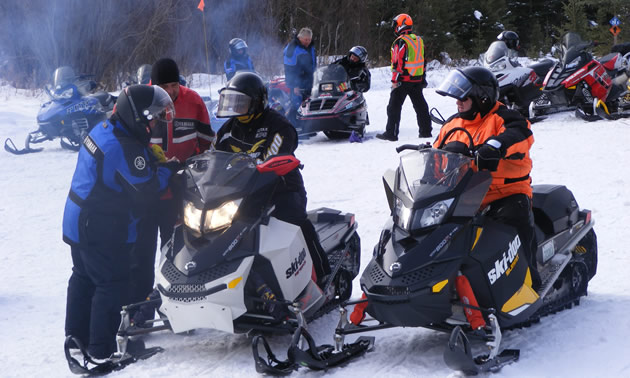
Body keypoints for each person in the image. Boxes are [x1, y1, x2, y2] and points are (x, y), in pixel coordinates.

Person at [63, 85, 180, 359]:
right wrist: (168, 170)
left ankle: (75, 338)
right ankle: (101, 351)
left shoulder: (106, 129)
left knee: (82, 278)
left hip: (78, 219)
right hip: (99, 227)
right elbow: (146, 190)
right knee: (111, 283)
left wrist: (150, 159)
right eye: (150, 118)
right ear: (136, 116)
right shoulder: (121, 146)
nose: (153, 124)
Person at [213, 72, 331, 303]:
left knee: (295, 222)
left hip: (282, 188)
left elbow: (275, 155)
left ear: (257, 103)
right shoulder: (227, 130)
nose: (236, 109)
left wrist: (267, 166)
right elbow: (212, 159)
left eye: (242, 103)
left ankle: (323, 275)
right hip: (242, 195)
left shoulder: (277, 125)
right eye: (232, 103)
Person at [433, 66, 541, 296]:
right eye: (456, 99)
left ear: (481, 98)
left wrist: (497, 146)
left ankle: (529, 283)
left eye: (463, 98)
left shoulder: (505, 117)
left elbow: (520, 134)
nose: (458, 103)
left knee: (514, 223)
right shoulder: (452, 124)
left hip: (505, 192)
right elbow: (435, 154)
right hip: (464, 195)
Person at [130, 58, 214, 309]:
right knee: (141, 255)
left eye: (174, 84)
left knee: (181, 252)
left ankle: (181, 308)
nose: (170, 91)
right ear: (152, 84)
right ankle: (140, 310)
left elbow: (208, 145)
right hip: (145, 193)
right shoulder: (138, 101)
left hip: (180, 192)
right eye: (163, 86)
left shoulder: (193, 101)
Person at [376, 13, 432, 141]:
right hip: (416, 79)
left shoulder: (401, 41)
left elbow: (397, 63)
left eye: (396, 25)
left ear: (401, 25)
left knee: (393, 107)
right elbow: (423, 61)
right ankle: (426, 131)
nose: (394, 28)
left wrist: (395, 80)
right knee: (421, 106)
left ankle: (391, 133)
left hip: (403, 80)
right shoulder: (418, 40)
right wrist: (422, 77)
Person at [283, 27, 317, 125]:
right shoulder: (292, 49)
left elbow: (314, 65)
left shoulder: (311, 48)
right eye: (306, 39)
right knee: (297, 104)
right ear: (300, 38)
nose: (308, 41)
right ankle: (295, 127)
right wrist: (294, 85)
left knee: (309, 103)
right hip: (297, 82)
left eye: (309, 39)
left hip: (309, 81)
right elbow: (289, 70)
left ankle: (307, 126)